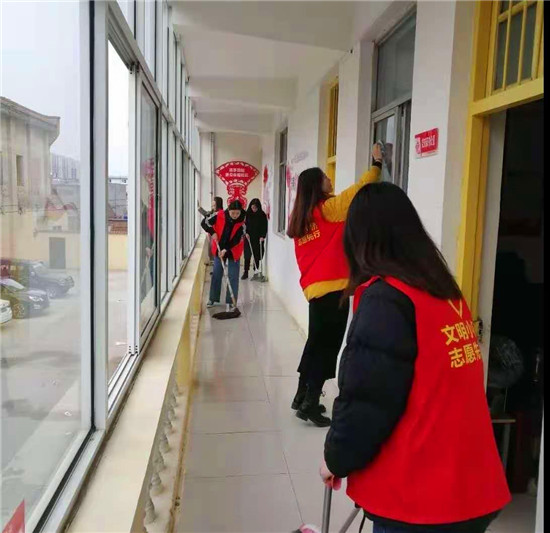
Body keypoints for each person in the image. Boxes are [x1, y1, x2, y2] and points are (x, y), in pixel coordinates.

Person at [320, 182, 511, 533]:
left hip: (421, 499)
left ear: (360, 240)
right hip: (471, 487)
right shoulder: (444, 292)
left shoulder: (387, 299)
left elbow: (368, 401)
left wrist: (336, 459)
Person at [286, 144, 383, 427]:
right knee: (327, 347)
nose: (330, 180)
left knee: (315, 343)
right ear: (317, 186)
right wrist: (376, 164)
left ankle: (301, 395)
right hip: (333, 290)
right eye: (326, 178)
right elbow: (360, 190)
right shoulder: (327, 209)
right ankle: (310, 403)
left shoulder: (301, 219)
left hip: (315, 290)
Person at [201, 200, 245, 311]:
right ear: (228, 210)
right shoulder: (219, 215)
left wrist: (226, 250)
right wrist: (212, 232)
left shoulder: (242, 222)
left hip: (233, 250)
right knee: (217, 273)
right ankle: (212, 298)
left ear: (240, 212)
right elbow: (204, 222)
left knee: (233, 275)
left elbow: (236, 240)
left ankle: (231, 301)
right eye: (232, 213)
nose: (235, 215)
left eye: (237, 213)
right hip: (219, 247)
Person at [242, 198, 268, 280]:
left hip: (258, 238)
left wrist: (262, 236)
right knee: (247, 255)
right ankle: (246, 272)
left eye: (255, 208)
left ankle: (255, 272)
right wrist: (246, 233)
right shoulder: (247, 214)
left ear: (258, 207)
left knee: (256, 255)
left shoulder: (262, 215)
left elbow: (264, 227)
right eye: (252, 207)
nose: (254, 209)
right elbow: (244, 225)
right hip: (248, 237)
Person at [198, 197, 224, 265]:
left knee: (218, 257)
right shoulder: (217, 213)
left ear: (218, 205)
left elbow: (206, 219)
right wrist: (200, 208)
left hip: (219, 238)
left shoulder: (218, 213)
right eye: (212, 206)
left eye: (214, 205)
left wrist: (212, 233)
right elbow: (207, 215)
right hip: (216, 238)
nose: (213, 207)